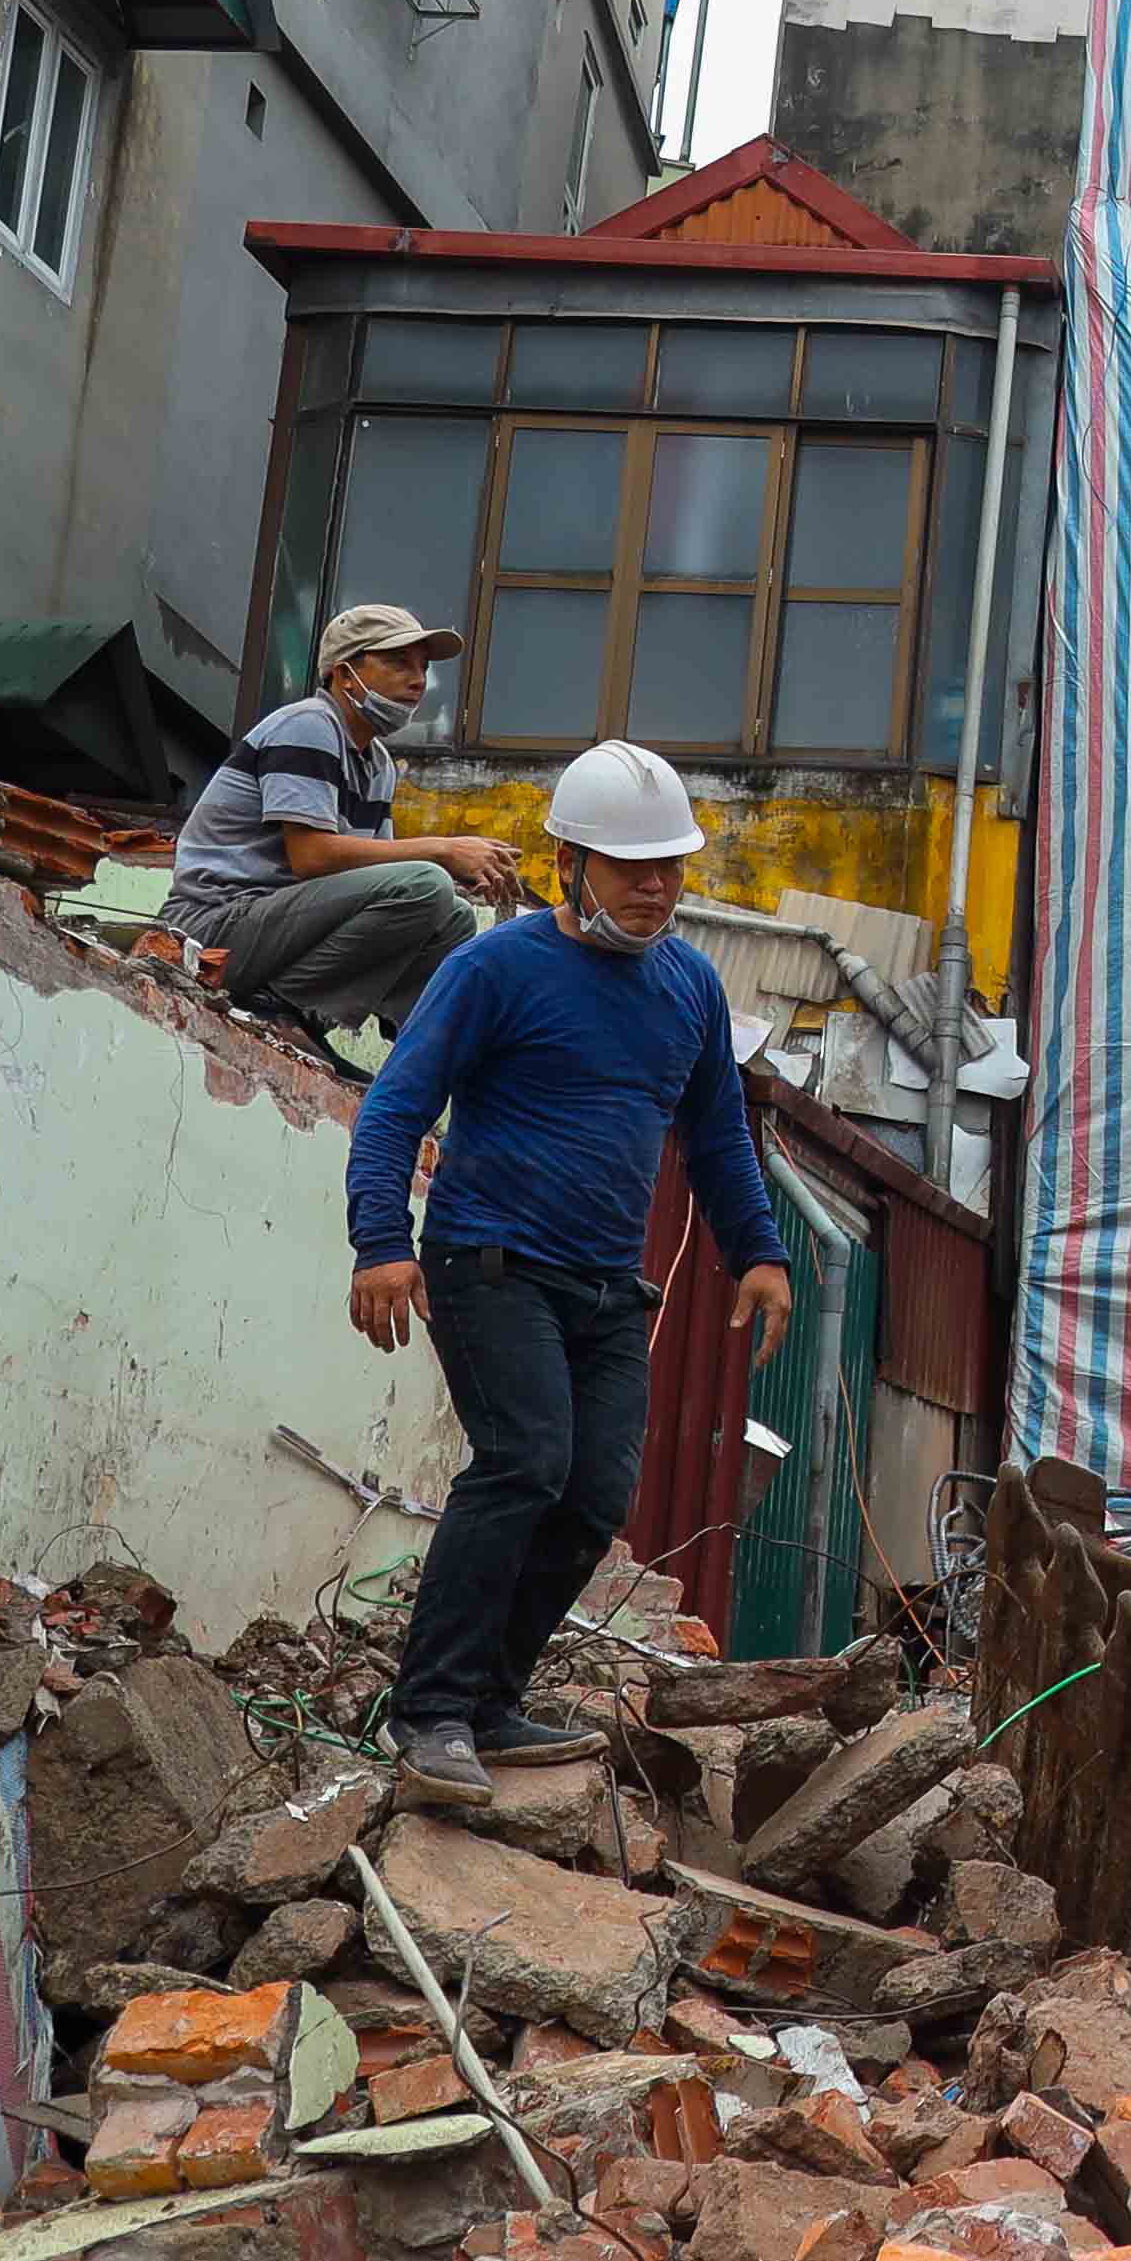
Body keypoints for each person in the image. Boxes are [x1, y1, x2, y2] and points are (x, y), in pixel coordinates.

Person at [344, 737, 791, 1809]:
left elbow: (720, 1138)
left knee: (594, 1496)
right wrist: (380, 1242)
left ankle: (490, 1703)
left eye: (671, 867)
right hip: (487, 1259)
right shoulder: (494, 969)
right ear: (568, 864)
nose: (656, 887)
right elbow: (396, 1104)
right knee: (525, 1461)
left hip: (603, 1286)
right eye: (631, 867)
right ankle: (429, 1710)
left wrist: (761, 1251)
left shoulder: (687, 986)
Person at [171, 606, 523, 1038]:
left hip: (276, 929)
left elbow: (384, 873)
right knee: (426, 885)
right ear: (344, 673)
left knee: (454, 915)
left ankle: (407, 1051)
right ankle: (284, 1009)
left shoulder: (378, 763)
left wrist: (464, 873)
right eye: (398, 662)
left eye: (423, 667)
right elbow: (311, 856)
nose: (418, 680)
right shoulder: (309, 725)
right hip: (211, 927)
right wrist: (443, 851)